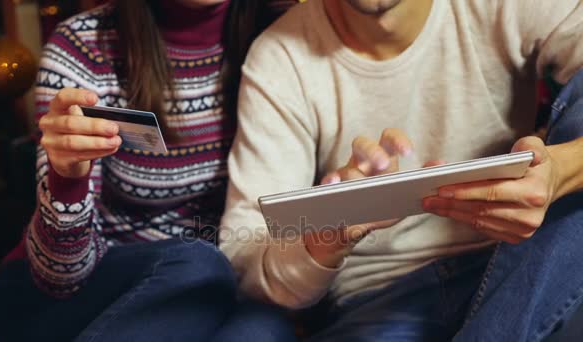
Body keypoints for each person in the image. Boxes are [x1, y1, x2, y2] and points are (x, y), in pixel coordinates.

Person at [219, 0, 583, 340]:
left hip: (521, 263)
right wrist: (326, 237)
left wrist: (560, 172)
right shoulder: (280, 59)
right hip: (381, 298)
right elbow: (245, 253)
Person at [0, 1, 298, 341]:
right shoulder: (84, 45)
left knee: (264, 331)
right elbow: (61, 275)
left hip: (213, 295)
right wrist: (67, 180)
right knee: (199, 265)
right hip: (75, 291)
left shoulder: (289, 35)